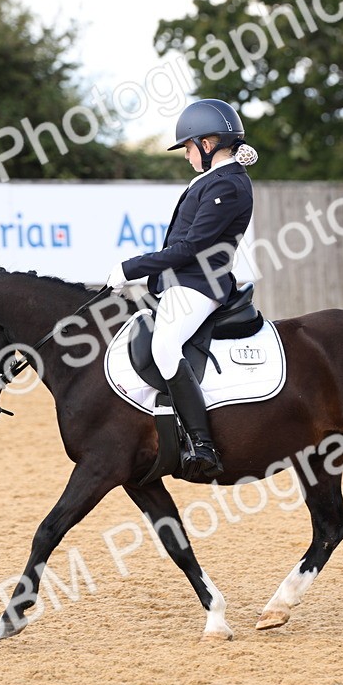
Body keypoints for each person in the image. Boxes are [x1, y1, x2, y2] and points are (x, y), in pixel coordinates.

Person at [106, 98, 258, 479]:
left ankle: (202, 443)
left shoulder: (229, 184)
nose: (187, 155)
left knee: (164, 344)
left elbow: (192, 247)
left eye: (189, 147)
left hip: (201, 285)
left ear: (207, 144)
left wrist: (132, 267)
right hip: (182, 282)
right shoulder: (213, 179)